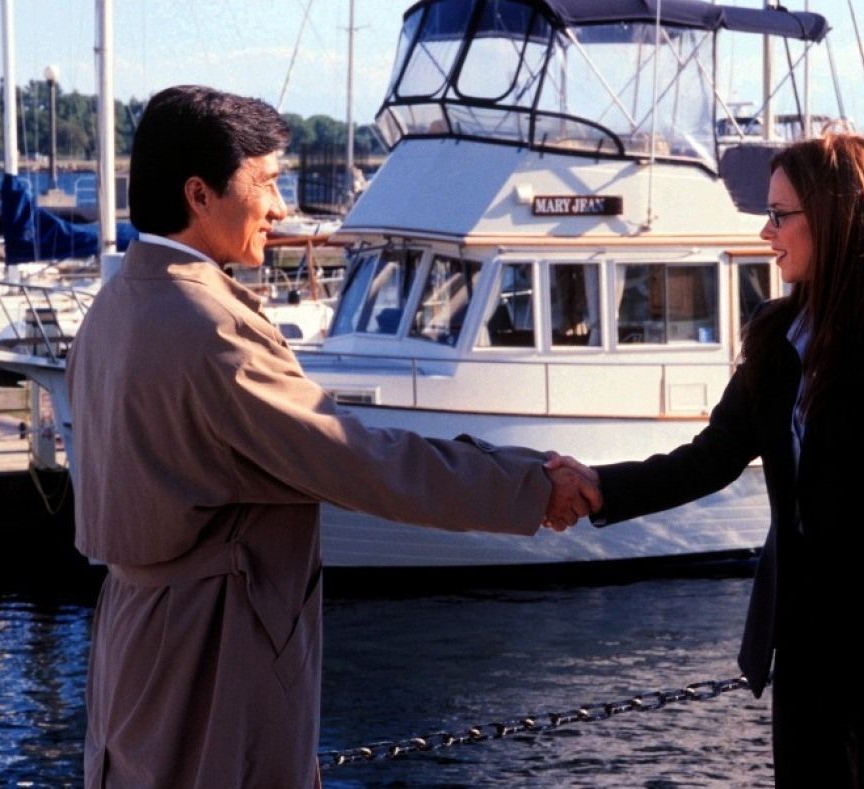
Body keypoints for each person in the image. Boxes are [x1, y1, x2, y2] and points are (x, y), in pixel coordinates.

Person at [66, 85, 600, 789]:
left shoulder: (114, 305)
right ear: (199, 194)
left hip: (128, 645)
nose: (281, 208)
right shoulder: (210, 326)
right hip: (211, 649)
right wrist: (528, 487)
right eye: (266, 183)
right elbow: (357, 459)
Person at [557, 133, 864, 786]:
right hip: (801, 650)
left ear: (835, 218)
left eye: (778, 214)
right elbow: (710, 458)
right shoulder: (775, 335)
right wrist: (598, 486)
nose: (766, 232)